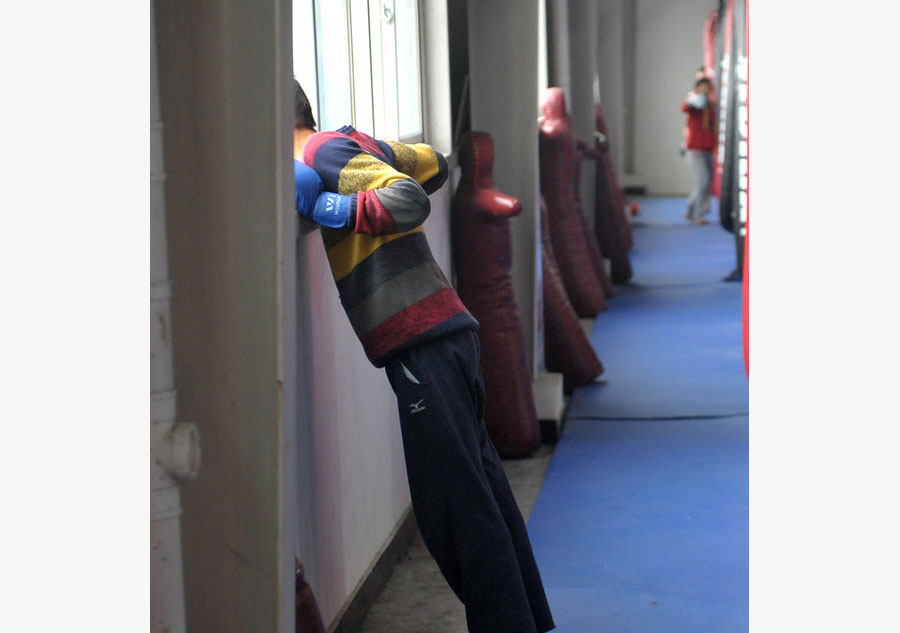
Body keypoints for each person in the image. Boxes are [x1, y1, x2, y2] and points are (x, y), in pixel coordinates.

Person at [292, 80, 555, 633]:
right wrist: (371, 150)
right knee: (479, 494)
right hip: (446, 334)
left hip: (422, 342)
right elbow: (433, 163)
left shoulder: (319, 153)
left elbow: (409, 200)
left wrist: (331, 205)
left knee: (451, 510)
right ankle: (526, 620)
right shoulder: (343, 145)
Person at [681, 76, 717, 224]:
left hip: (708, 149)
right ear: (697, 88)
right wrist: (696, 97)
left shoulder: (711, 104)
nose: (705, 89)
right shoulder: (694, 100)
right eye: (702, 86)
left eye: (707, 86)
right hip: (695, 149)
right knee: (703, 181)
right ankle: (699, 214)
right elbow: (686, 107)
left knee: (706, 182)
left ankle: (689, 210)